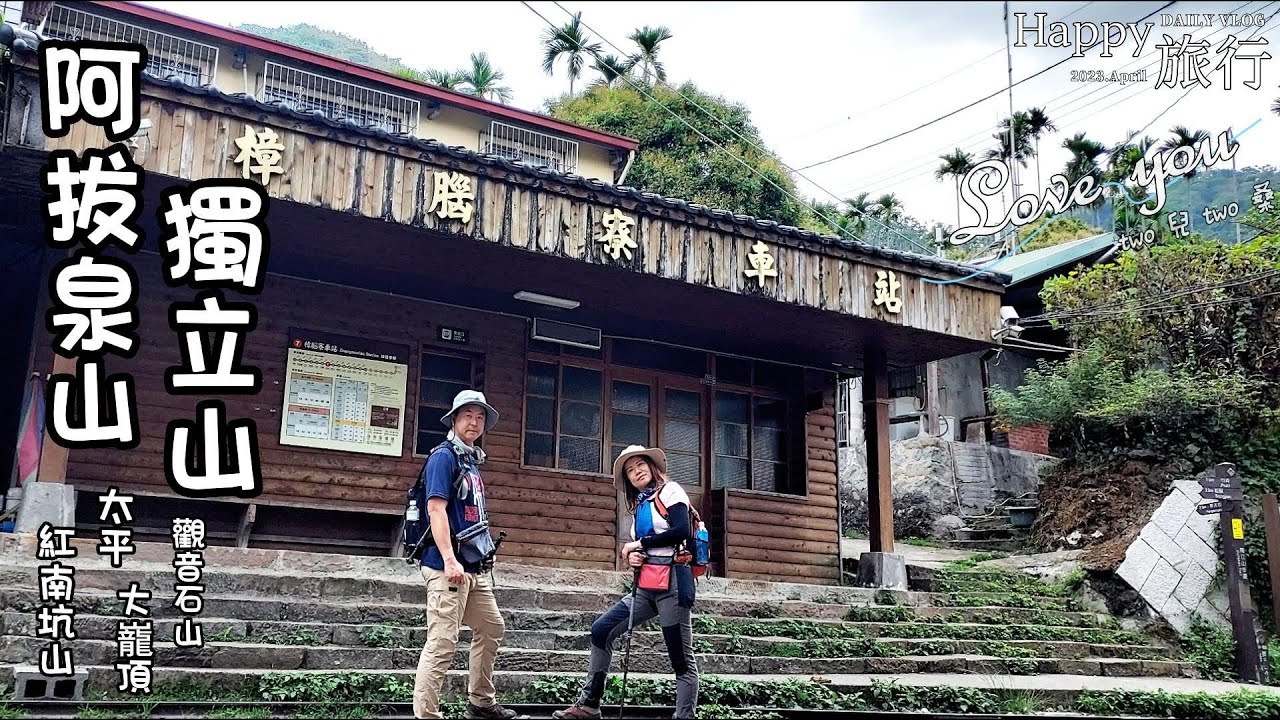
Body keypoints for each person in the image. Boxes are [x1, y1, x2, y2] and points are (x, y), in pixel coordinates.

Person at [554, 444, 700, 720]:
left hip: (673, 585)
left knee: (681, 659)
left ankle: (684, 716)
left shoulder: (671, 491)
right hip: (646, 585)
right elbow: (648, 546)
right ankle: (589, 705)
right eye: (630, 471)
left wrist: (638, 543)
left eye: (640, 465)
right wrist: (636, 555)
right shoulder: (641, 503)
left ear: (652, 466)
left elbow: (681, 530)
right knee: (601, 630)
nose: (636, 472)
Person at [412, 390, 520, 720]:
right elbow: (436, 509)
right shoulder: (443, 457)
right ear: (455, 419)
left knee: (491, 626)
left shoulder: (469, 459)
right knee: (443, 642)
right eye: (468, 415)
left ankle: (481, 704)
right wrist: (448, 559)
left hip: (473, 566)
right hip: (447, 567)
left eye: (480, 417)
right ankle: (426, 715)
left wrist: (484, 552)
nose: (474, 422)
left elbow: (472, 515)